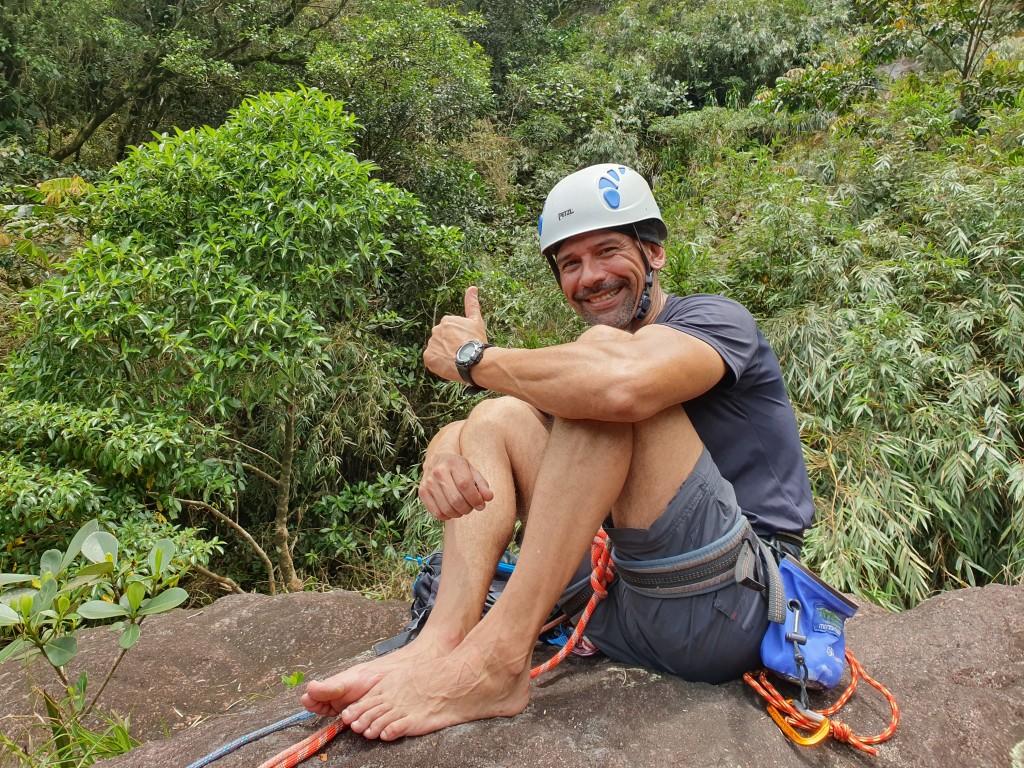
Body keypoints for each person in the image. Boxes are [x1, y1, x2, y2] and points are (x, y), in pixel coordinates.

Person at [301, 163, 814, 741]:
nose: (590, 276)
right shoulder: (588, 369)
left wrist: (474, 361)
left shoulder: (714, 321)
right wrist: (441, 452)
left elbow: (618, 387)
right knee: (498, 416)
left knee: (596, 373)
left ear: (654, 254)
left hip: (728, 603)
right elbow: (511, 420)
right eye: (570, 263)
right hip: (623, 600)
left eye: (607, 251)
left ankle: (497, 661)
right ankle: (442, 640)